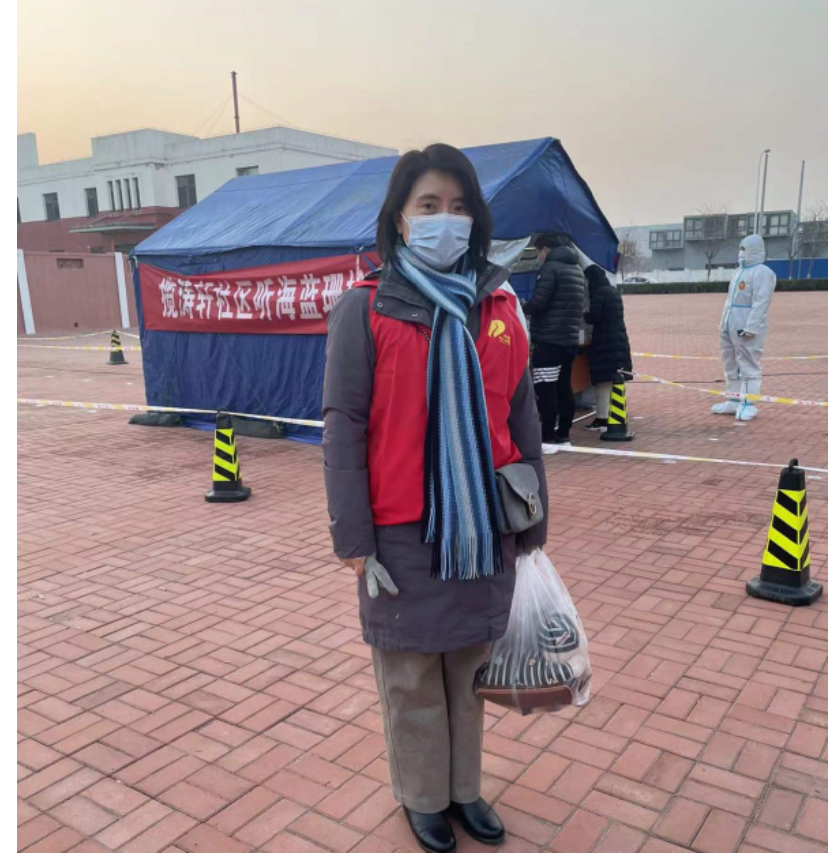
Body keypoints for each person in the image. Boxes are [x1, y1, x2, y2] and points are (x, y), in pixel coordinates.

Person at [323, 143, 548, 854]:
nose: (444, 219)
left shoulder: (500, 305)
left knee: (469, 671)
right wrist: (353, 539)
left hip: (484, 525)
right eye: (428, 206)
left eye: (458, 206)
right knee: (413, 675)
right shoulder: (366, 308)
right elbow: (343, 424)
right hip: (403, 532)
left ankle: (464, 790)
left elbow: (521, 414)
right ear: (399, 218)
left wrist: (535, 517)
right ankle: (423, 797)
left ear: (475, 219)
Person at [522, 233, 586, 449]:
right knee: (564, 387)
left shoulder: (550, 268)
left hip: (549, 339)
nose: (539, 258)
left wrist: (523, 306)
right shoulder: (576, 269)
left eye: (538, 253)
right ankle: (564, 435)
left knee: (545, 387)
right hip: (569, 340)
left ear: (545, 249)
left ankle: (547, 437)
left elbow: (539, 303)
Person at [712, 233, 777, 421]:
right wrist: (724, 324)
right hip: (729, 325)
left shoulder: (762, 272)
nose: (741, 252)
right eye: (740, 248)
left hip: (745, 328)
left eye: (744, 248)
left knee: (748, 366)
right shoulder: (738, 272)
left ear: (754, 249)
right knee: (730, 364)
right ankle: (733, 400)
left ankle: (749, 404)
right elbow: (730, 301)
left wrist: (751, 327)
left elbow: (761, 302)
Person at [582, 264, 633, 431]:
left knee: (602, 382)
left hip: (605, 342)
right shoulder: (613, 291)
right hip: (618, 340)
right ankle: (614, 416)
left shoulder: (599, 293)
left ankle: (602, 419)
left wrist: (583, 314)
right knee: (614, 381)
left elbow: (594, 316)